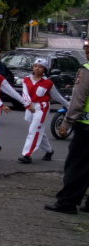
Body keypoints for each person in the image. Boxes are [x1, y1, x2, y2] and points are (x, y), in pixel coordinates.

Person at [44, 41, 89, 214]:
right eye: (85, 47)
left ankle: (67, 203)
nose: (86, 51)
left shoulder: (86, 69)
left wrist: (67, 122)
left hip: (85, 126)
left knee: (76, 166)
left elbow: (78, 99)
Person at [20, 57, 69, 163]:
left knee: (34, 130)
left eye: (41, 67)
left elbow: (57, 97)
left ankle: (27, 154)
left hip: (41, 108)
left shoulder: (48, 83)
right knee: (38, 130)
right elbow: (24, 94)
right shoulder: (26, 79)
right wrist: (28, 105)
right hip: (29, 107)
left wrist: (69, 106)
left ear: (45, 70)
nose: (37, 69)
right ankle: (49, 150)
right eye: (35, 66)